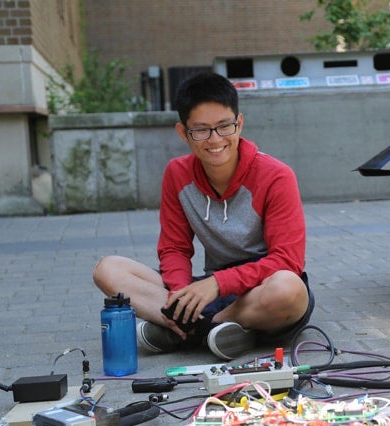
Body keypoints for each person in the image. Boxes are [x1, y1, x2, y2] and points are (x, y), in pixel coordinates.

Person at [93, 72, 314, 360]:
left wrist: (218, 284)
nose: (215, 139)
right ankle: (213, 329)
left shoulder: (276, 176)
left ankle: (189, 330)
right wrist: (182, 294)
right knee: (108, 269)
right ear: (183, 132)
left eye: (225, 127)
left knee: (289, 290)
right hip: (208, 290)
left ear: (240, 123)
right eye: (201, 130)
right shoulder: (177, 174)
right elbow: (174, 248)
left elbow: (288, 259)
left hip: (262, 287)